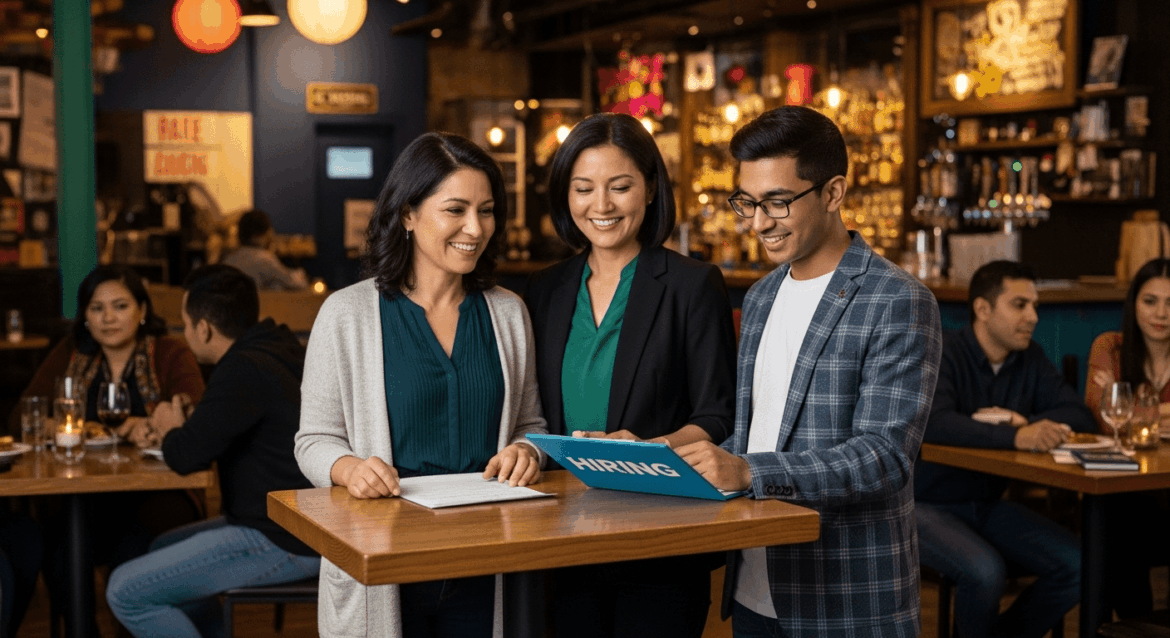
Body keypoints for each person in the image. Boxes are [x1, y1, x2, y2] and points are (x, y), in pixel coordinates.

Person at [674, 105, 943, 637]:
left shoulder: (897, 300)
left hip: (844, 595)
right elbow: (761, 429)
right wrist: (676, 455)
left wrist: (750, 472)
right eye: (747, 202)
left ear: (833, 193)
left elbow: (884, 458)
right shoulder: (760, 296)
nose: (758, 222)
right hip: (752, 583)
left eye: (777, 202)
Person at [294, 131, 547, 638]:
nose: (475, 229)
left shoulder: (508, 313)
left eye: (488, 211)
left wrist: (529, 451)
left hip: (487, 559)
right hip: (386, 561)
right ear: (408, 214)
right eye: (455, 210)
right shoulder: (346, 315)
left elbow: (530, 423)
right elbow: (313, 440)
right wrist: (348, 470)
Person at [524, 112, 736, 638]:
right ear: (565, 196)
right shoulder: (544, 290)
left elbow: (716, 413)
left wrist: (646, 449)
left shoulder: (692, 284)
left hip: (659, 527)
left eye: (620, 187)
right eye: (584, 189)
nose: (601, 206)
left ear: (648, 190)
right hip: (560, 528)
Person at [105, 264, 321, 637]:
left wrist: (171, 427)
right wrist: (192, 423)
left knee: (125, 591)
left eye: (186, 324)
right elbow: (230, 425)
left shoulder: (241, 368)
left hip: (282, 536)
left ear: (203, 329)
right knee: (162, 544)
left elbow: (185, 457)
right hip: (306, 523)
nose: (185, 332)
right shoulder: (277, 346)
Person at [12, 264, 205, 636]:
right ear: (84, 316)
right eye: (97, 308)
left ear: (142, 311)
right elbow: (24, 412)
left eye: (120, 306)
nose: (108, 318)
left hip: (159, 490)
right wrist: (54, 424)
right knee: (59, 550)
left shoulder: (169, 352)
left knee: (132, 548)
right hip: (84, 493)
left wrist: (151, 427)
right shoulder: (71, 353)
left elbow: (195, 413)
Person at [915, 260, 1095, 638]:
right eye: (1019, 305)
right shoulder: (943, 351)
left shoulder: (1029, 358)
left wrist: (1021, 424)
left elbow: (1079, 415)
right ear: (982, 309)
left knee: (1081, 564)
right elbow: (935, 422)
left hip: (988, 504)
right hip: (923, 504)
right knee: (985, 573)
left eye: (1035, 306)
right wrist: (1017, 437)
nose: (1032, 317)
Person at [1085, 257, 1170, 619]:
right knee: (1119, 525)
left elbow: (1118, 412)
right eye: (1150, 301)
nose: (1161, 313)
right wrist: (1159, 414)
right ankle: (1136, 626)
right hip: (1127, 492)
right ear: (1133, 302)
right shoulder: (1110, 347)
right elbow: (1105, 418)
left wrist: (1132, 409)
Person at [221, 209, 309, 290]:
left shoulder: (228, 261)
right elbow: (298, 284)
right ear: (259, 236)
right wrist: (301, 273)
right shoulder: (265, 259)